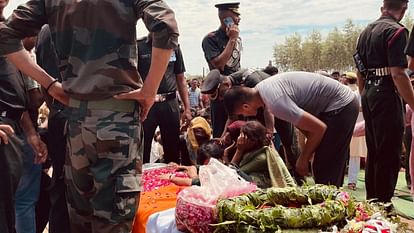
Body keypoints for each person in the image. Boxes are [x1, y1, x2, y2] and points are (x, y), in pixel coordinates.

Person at [0, 1, 179, 232]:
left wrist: (50, 84)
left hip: (76, 122)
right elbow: (165, 24)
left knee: (80, 220)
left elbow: (5, 35)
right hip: (118, 121)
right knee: (114, 221)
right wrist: (150, 90)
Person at [223, 71, 359, 188]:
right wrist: (310, 149)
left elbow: (319, 129)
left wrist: (304, 157)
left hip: (341, 106)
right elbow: (303, 125)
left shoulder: (274, 102)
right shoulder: (263, 91)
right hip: (333, 107)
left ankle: (332, 208)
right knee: (323, 162)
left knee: (325, 166)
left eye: (241, 113)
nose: (244, 117)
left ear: (245, 107)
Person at [355, 0, 414, 203]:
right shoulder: (397, 31)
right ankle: (383, 203)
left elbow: (360, 72)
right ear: (404, 8)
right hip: (387, 93)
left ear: (384, 6)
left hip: (369, 92)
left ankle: (373, 201)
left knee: (375, 149)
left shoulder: (365, 32)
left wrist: (365, 96)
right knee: (389, 152)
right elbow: (399, 74)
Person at [35, 25, 70, 233]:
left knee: (60, 190)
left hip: (59, 113)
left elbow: (43, 82)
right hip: (94, 117)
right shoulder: (91, 14)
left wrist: (57, 105)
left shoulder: (46, 30)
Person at [138, 33, 192, 164]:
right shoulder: (138, 46)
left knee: (172, 149)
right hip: (147, 105)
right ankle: (142, 182)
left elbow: (180, 79)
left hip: (170, 104)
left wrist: (187, 108)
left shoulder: (174, 47)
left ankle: (171, 181)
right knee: (142, 148)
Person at [202, 2, 242, 138]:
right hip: (220, 94)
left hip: (236, 92)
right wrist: (231, 40)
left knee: (237, 131)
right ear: (226, 17)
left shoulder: (237, 38)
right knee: (221, 134)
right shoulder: (210, 39)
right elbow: (219, 65)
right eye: (236, 15)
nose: (239, 19)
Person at [201, 68, 273, 137]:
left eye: (221, 94)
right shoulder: (229, 88)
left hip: (275, 111)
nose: (222, 99)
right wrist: (223, 136)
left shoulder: (251, 81)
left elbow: (268, 107)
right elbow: (232, 116)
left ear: (226, 84)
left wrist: (269, 132)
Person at [229, 121, 296, 189]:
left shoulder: (261, 158)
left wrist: (239, 150)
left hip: (278, 189)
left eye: (243, 137)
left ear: (252, 140)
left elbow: (233, 173)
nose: (240, 140)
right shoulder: (254, 151)